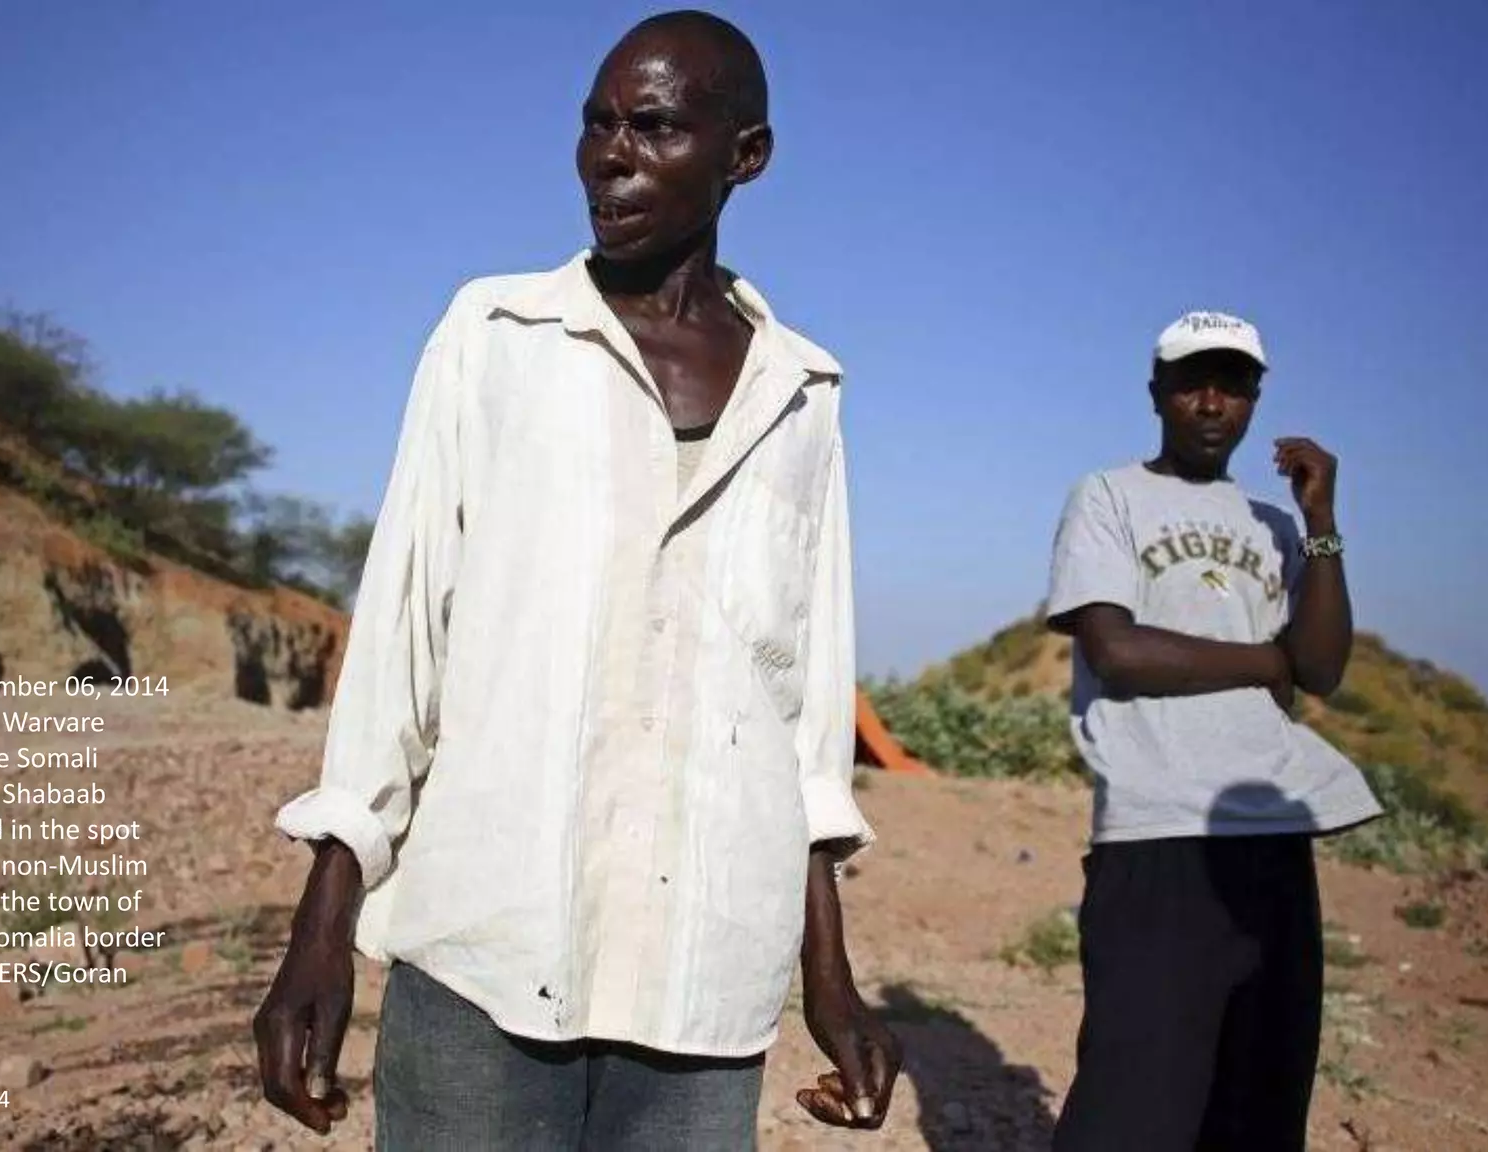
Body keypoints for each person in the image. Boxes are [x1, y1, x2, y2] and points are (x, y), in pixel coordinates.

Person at [252, 11, 901, 1149]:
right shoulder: (493, 335)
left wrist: (827, 979)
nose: (610, 154)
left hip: (701, 982)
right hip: (486, 947)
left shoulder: (804, 395)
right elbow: (403, 636)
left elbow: (799, 716)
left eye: (651, 126)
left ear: (743, 156)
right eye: (596, 123)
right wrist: (322, 925)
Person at [1043, 311, 1384, 1151]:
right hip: (1159, 834)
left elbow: (1324, 667)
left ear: (1254, 402)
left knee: (1258, 1110)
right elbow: (1117, 650)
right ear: (1157, 392)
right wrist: (1266, 664)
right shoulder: (1109, 496)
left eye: (1232, 386)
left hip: (1273, 837)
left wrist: (1321, 522)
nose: (1211, 403)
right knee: (1132, 1113)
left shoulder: (1274, 527)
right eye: (1193, 382)